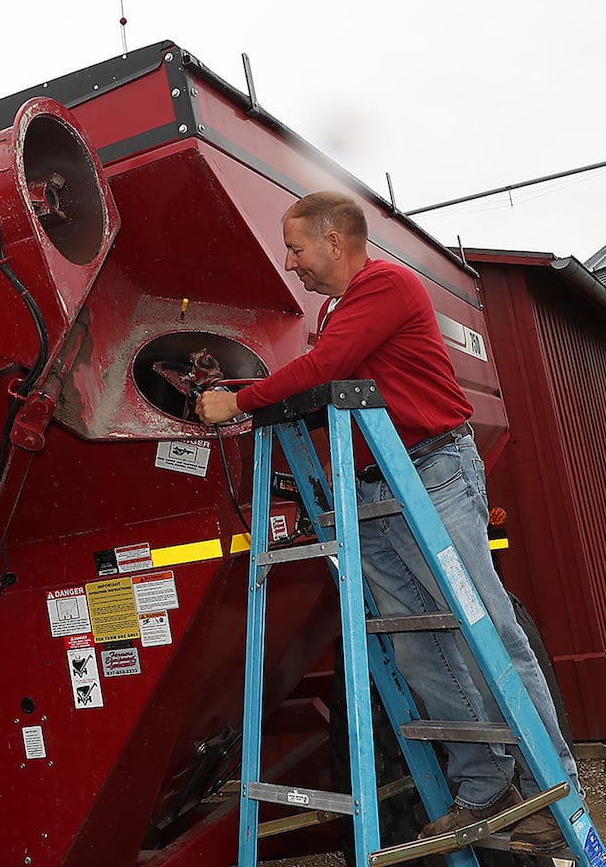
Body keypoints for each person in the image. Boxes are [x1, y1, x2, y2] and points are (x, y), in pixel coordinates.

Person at [196, 191, 574, 855]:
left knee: (486, 625)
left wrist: (237, 401)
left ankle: (556, 791)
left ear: (334, 242)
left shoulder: (385, 286)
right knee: (419, 648)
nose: (290, 264)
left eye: (296, 248)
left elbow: (325, 370)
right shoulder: (337, 308)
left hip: (433, 470)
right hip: (376, 485)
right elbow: (329, 384)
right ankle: (484, 789)